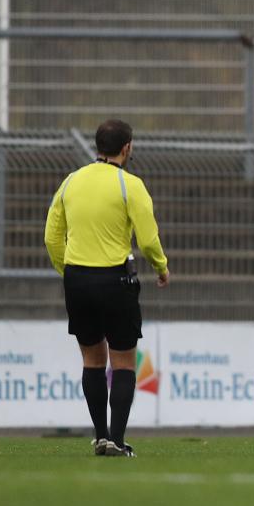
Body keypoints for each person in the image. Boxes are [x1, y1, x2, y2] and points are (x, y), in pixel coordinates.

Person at [44, 119, 169, 457]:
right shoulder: (130, 185)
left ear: (96, 146)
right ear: (126, 148)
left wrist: (67, 270)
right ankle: (116, 437)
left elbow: (51, 235)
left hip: (78, 280)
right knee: (124, 361)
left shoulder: (71, 183)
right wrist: (161, 266)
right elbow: (147, 238)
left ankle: (100, 436)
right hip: (116, 281)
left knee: (92, 359)